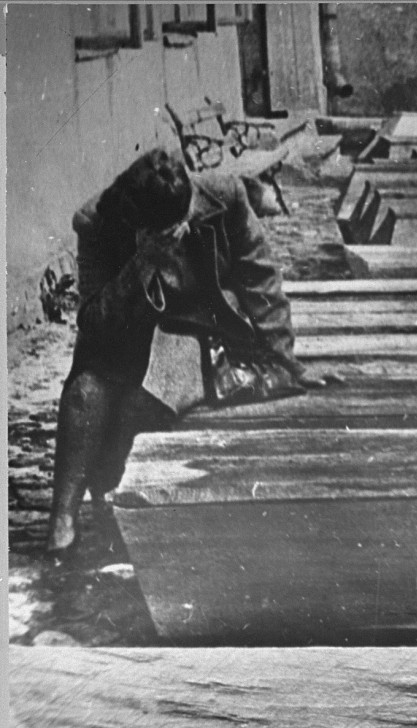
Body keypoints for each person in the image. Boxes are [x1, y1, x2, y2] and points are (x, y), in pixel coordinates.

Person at [46, 147, 324, 560]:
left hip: (196, 330)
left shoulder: (224, 198)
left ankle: (111, 496)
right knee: (85, 393)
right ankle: (61, 521)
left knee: (147, 398)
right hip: (122, 332)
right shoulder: (98, 222)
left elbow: (260, 280)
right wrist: (139, 264)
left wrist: (282, 360)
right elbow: (93, 321)